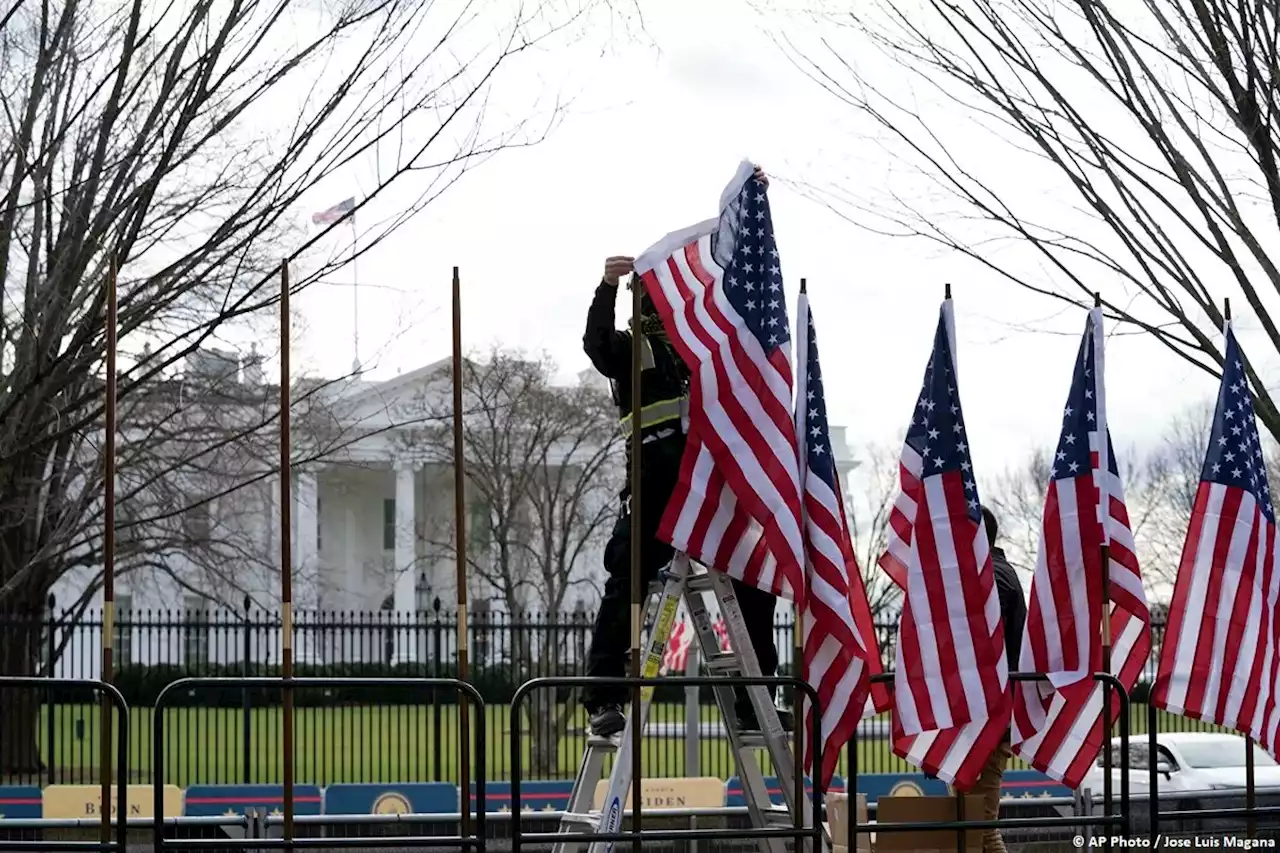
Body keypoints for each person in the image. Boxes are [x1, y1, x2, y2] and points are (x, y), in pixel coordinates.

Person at [581, 170, 792, 738]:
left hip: (709, 479)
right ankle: (604, 699)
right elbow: (597, 345)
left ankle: (756, 699)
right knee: (626, 583)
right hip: (654, 479)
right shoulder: (630, 351)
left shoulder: (701, 349)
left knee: (753, 580)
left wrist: (750, 215)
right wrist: (604, 289)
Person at [974, 505, 1028, 853]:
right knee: (975, 820)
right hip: (989, 709)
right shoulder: (999, 571)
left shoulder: (991, 575)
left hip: (989, 711)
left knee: (980, 824)